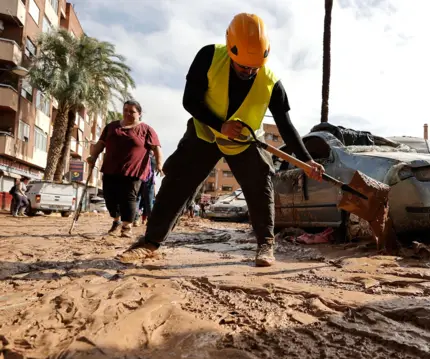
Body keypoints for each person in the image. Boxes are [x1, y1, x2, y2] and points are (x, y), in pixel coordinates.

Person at [117, 13, 324, 266]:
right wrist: (220, 125)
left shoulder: (271, 83)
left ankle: (265, 245)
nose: (248, 72)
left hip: (245, 142)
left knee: (260, 185)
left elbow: (286, 126)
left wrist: (308, 160)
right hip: (204, 133)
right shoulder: (209, 57)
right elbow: (189, 100)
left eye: (253, 68)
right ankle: (150, 242)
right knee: (178, 183)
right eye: (242, 67)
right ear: (230, 48)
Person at [87, 100, 164, 238]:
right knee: (110, 197)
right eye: (126, 110)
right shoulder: (112, 127)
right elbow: (100, 143)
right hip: (111, 169)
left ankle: (126, 227)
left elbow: (157, 148)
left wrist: (159, 164)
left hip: (134, 171)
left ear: (139, 114)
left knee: (129, 197)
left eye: (132, 111)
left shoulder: (146, 130)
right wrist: (93, 156)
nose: (128, 113)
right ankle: (116, 221)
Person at [134, 152, 157, 226]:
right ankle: (150, 221)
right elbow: (154, 175)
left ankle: (136, 220)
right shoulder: (153, 160)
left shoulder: (140, 158)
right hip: (149, 182)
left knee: (137, 200)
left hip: (139, 180)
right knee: (149, 203)